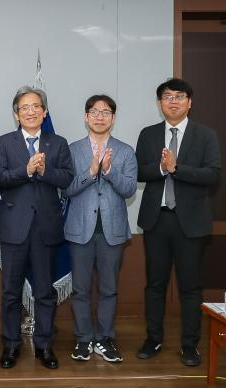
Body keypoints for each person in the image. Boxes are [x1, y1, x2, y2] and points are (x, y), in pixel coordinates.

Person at [135, 78, 221, 366]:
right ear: (160, 103)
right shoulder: (148, 135)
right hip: (157, 221)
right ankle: (153, 338)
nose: (173, 101)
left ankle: (189, 345)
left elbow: (212, 175)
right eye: (167, 96)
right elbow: (139, 172)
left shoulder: (205, 135)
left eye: (179, 96)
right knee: (155, 285)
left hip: (191, 224)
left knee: (190, 287)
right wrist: (161, 168)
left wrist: (177, 168)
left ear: (189, 102)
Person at [0, 86, 73, 370]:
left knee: (44, 291)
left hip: (45, 229)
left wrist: (44, 171)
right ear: (16, 114)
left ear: (45, 112)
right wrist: (26, 171)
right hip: (14, 228)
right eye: (24, 107)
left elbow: (66, 179)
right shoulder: (3, 143)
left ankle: (44, 346)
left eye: (35, 107)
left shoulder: (58, 143)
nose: (30, 111)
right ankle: (11, 345)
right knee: (11, 293)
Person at [64, 95, 137, 363]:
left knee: (109, 289)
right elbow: (67, 189)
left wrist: (108, 171)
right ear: (86, 116)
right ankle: (84, 339)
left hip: (112, 231)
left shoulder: (126, 151)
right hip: (79, 230)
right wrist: (91, 170)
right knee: (81, 289)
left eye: (106, 112)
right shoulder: (71, 150)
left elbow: (129, 189)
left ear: (113, 118)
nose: (99, 116)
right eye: (94, 112)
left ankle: (105, 339)